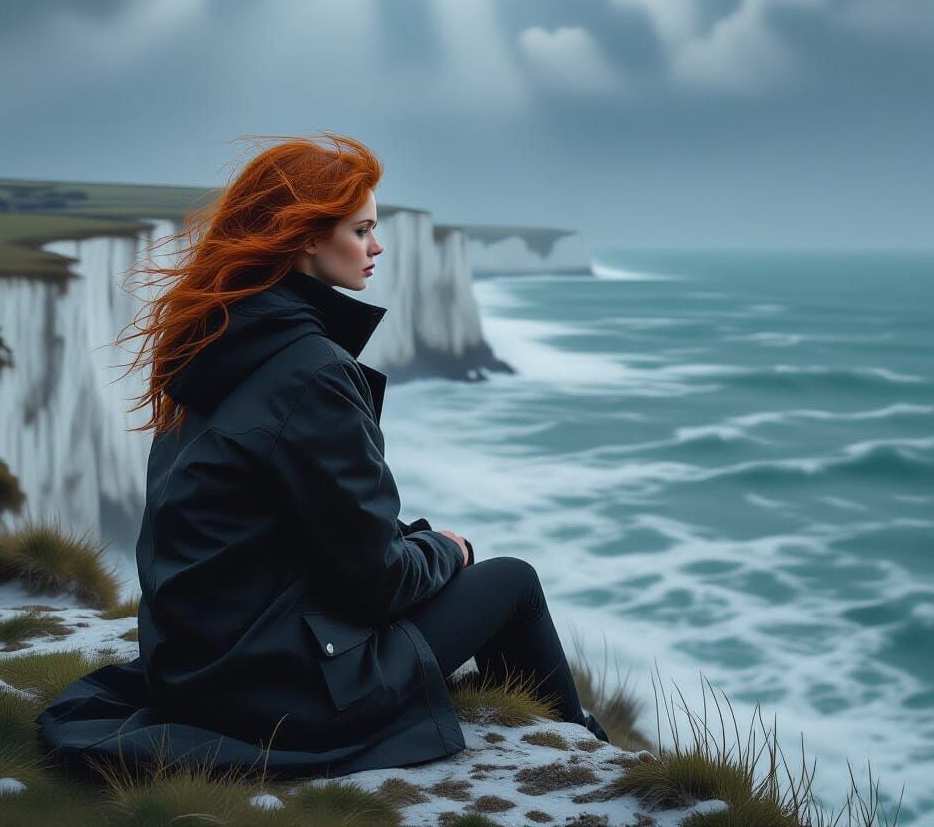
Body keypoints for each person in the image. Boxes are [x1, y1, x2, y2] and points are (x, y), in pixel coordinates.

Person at [36, 133, 609, 783]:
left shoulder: (215, 341)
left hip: (194, 668)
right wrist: (452, 550)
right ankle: (583, 762)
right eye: (361, 229)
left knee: (429, 554)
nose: (378, 246)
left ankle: (561, 743)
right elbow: (378, 583)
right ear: (307, 236)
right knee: (512, 583)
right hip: (276, 693)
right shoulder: (312, 372)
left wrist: (417, 546)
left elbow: (295, 521)